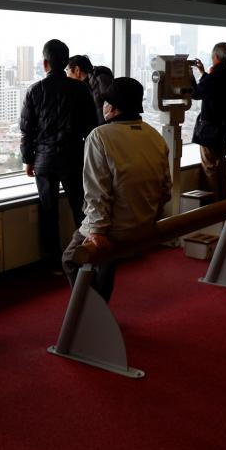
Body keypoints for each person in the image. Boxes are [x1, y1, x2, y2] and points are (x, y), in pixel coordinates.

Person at [62, 78, 171, 302]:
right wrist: (150, 219)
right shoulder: (154, 136)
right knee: (107, 260)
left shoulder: (99, 136)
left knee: (71, 258)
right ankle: (100, 307)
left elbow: (96, 193)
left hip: (116, 230)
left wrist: (96, 232)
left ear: (110, 107)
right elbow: (165, 190)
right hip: (145, 226)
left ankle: (91, 312)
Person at [20, 39, 99, 272]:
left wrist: (28, 160)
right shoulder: (80, 89)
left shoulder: (34, 90)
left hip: (44, 159)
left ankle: (54, 263)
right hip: (73, 156)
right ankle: (86, 256)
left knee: (48, 211)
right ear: (66, 62)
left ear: (45, 63)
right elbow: (91, 126)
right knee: (81, 208)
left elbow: (27, 129)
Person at [190, 42, 226, 200]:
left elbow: (197, 93)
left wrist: (191, 77)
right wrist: (203, 73)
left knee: (210, 167)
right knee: (220, 165)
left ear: (216, 57)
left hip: (210, 128)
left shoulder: (214, 77)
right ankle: (224, 201)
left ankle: (215, 205)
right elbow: (215, 91)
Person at [66, 54, 115, 124]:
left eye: (67, 70)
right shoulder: (86, 85)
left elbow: (110, 108)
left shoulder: (101, 80)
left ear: (77, 70)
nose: (67, 75)